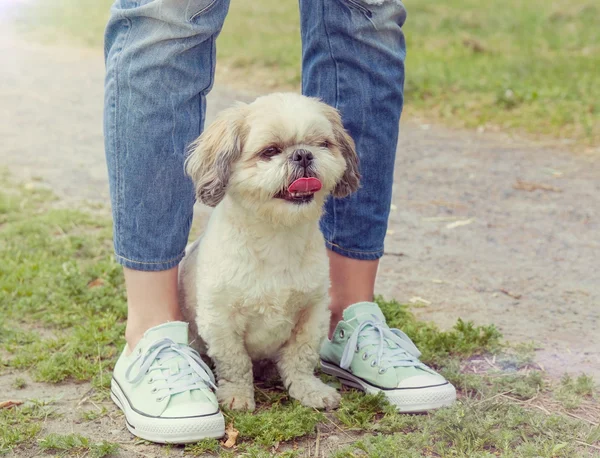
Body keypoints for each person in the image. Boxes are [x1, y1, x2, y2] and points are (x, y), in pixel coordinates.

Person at [104, 0, 455, 444]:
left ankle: (344, 320)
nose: (301, 161)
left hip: (299, 268)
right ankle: (153, 335)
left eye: (317, 147)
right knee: (165, 14)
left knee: (367, 15)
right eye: (272, 152)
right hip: (229, 285)